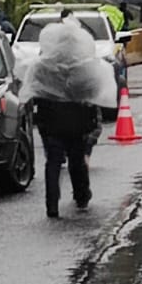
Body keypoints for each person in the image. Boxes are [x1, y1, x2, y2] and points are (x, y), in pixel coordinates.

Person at [22, 21, 115, 218]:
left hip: (51, 123)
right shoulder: (85, 67)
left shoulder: (43, 66)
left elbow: (33, 90)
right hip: (77, 122)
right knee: (76, 160)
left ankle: (52, 203)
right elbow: (95, 90)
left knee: (53, 162)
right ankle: (82, 195)